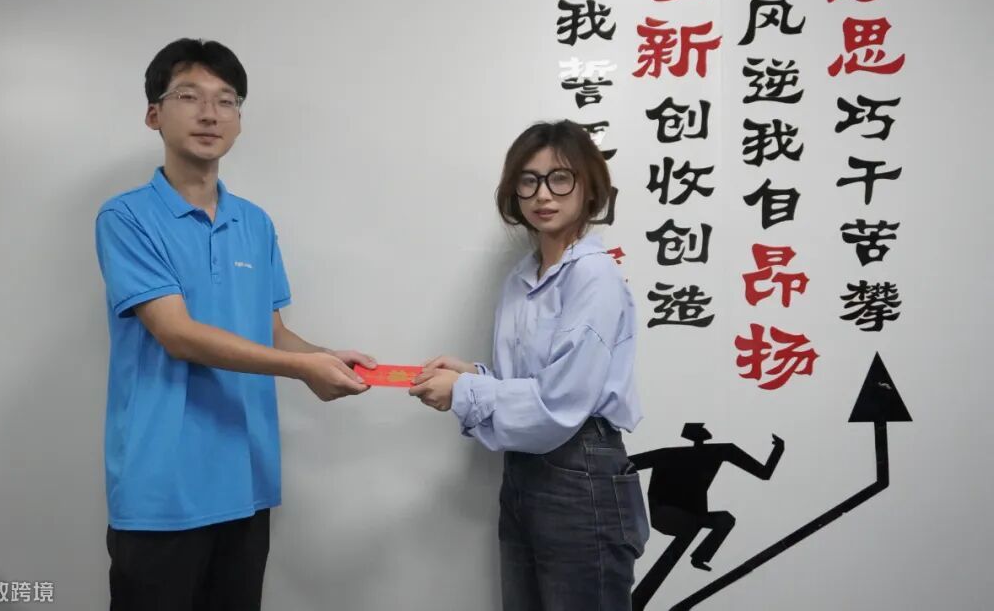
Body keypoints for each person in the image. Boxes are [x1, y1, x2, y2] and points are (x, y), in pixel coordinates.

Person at [94, 38, 375, 610]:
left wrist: (325, 357)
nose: (209, 113)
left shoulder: (255, 223)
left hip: (246, 479)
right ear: (154, 114)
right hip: (161, 487)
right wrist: (301, 369)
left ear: (240, 121)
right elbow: (177, 334)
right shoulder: (126, 216)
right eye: (188, 96)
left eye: (226, 100)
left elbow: (271, 333)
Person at [410, 119, 649, 610]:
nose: (543, 194)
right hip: (524, 473)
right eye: (528, 180)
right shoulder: (522, 277)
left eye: (560, 178)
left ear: (589, 187)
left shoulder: (594, 276)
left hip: (581, 473)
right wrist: (474, 376)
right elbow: (529, 386)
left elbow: (560, 404)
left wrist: (463, 392)